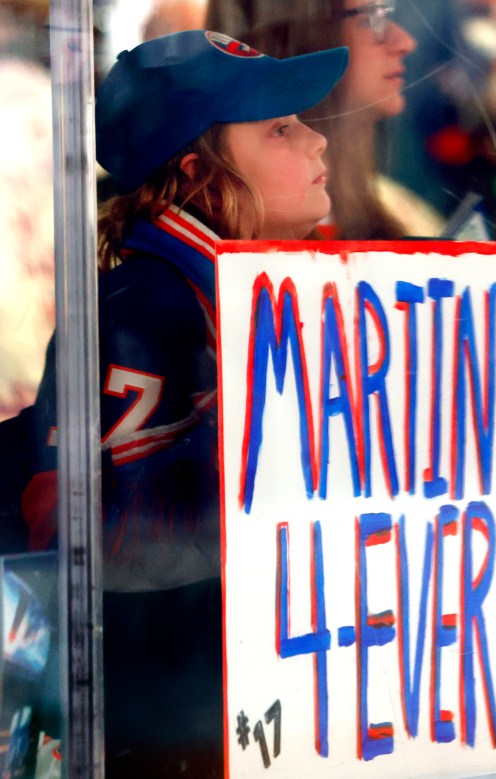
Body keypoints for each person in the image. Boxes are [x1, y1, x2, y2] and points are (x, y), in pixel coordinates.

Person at [20, 29, 349, 775]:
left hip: (229, 704)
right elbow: (104, 546)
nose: (316, 142)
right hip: (163, 726)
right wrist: (272, 430)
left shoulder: (243, 297)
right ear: (202, 174)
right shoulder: (144, 308)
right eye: (280, 128)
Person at [205, 0, 436, 239]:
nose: (405, 42)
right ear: (305, 38)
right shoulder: (256, 228)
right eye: (370, 20)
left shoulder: (391, 206)